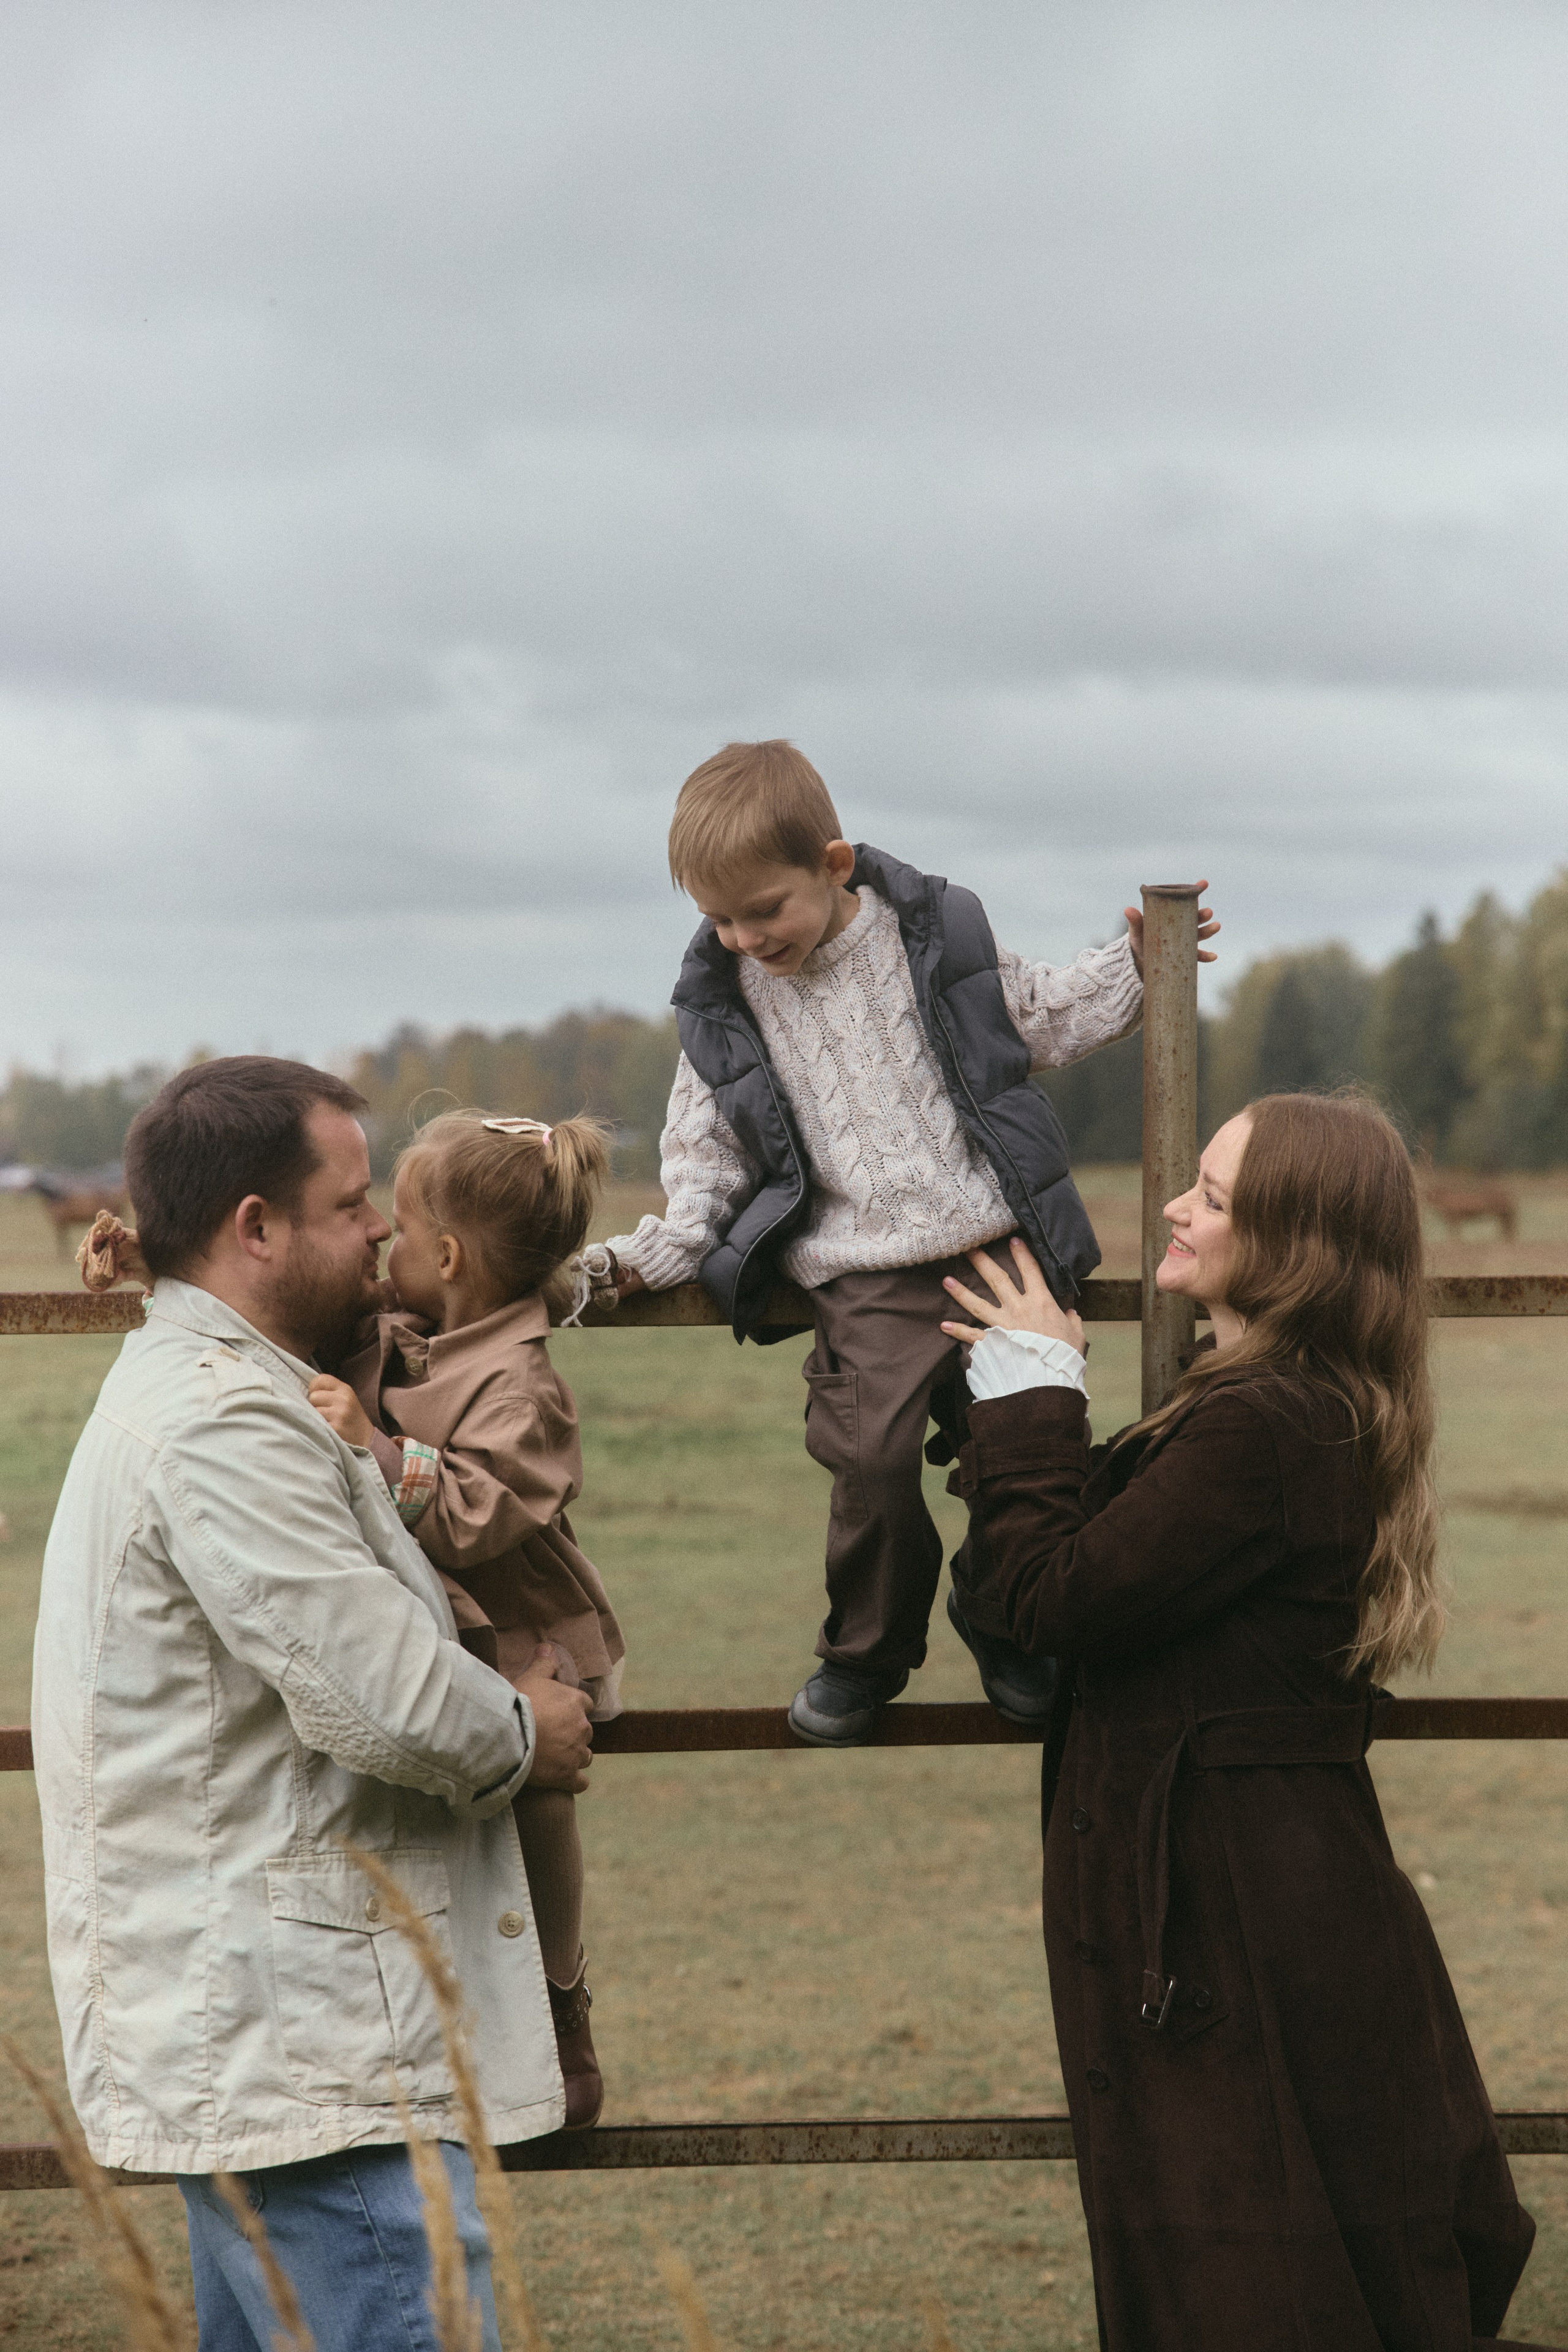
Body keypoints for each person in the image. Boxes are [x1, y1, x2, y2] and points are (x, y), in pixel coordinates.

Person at [940, 1091, 1539, 2351]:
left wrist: (1035, 1397)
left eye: (1211, 1195)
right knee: (1264, 2243)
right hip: (1246, 1887)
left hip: (1236, 1909)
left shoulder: (1263, 1426)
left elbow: (1052, 1598)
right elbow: (1024, 1590)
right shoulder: (1259, 1406)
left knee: (1250, 2267)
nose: (1172, 1204)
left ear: (1296, 1242)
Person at [34, 1057, 595, 2352]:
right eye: (352, 1207)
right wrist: (527, 1726)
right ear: (255, 1228)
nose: (383, 1234)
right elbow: (387, 1703)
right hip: (313, 2060)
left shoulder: (224, 1388)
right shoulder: (224, 1423)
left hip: (276, 2038)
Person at [603, 736, 1220, 1746]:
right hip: (862, 1271)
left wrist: (1140, 970)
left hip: (993, 1245)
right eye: (719, 918)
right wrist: (667, 1246)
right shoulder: (723, 1005)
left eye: (767, 909)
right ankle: (867, 1652)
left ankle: (1006, 1615)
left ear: (835, 865)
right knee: (873, 1461)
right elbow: (706, 1147)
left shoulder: (934, 938)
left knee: (1023, 1439)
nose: (747, 936)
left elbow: (1039, 1017)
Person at [306, 1108, 624, 2130]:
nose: (380, 1246)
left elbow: (480, 1512)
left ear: (445, 1255)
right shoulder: (416, 1326)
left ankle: (561, 1998)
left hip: (515, 1627)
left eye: (394, 1229)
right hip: (431, 1622)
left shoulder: (521, 1383)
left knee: (538, 1794)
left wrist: (383, 1451)